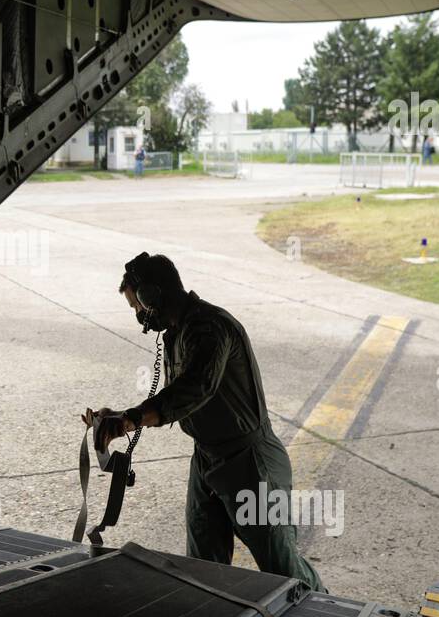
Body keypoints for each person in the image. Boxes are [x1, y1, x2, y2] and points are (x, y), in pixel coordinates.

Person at [81, 252, 325, 591]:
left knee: (282, 569)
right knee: (202, 566)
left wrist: (130, 420)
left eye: (138, 306)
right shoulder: (178, 333)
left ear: (154, 296)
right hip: (208, 459)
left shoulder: (210, 328)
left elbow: (195, 388)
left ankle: (328, 615)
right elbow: (174, 399)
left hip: (250, 463)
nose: (139, 316)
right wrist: (118, 416)